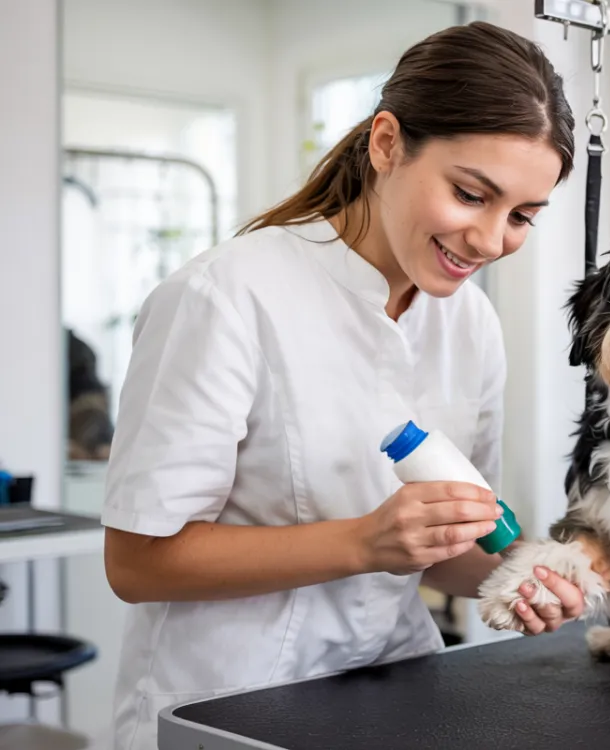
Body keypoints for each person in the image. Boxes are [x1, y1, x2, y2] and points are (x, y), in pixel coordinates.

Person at [100, 21, 585, 750]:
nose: (490, 241)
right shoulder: (224, 297)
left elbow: (450, 550)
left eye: (520, 216)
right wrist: (362, 542)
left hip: (399, 695)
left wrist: (527, 574)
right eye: (469, 194)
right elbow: (137, 563)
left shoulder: (471, 325)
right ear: (386, 144)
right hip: (227, 709)